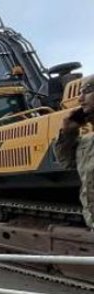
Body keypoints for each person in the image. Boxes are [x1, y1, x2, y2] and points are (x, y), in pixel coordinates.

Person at [55, 75, 94, 226]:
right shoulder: (87, 142)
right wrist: (68, 133)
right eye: (80, 92)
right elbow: (67, 163)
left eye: (87, 91)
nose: (80, 99)